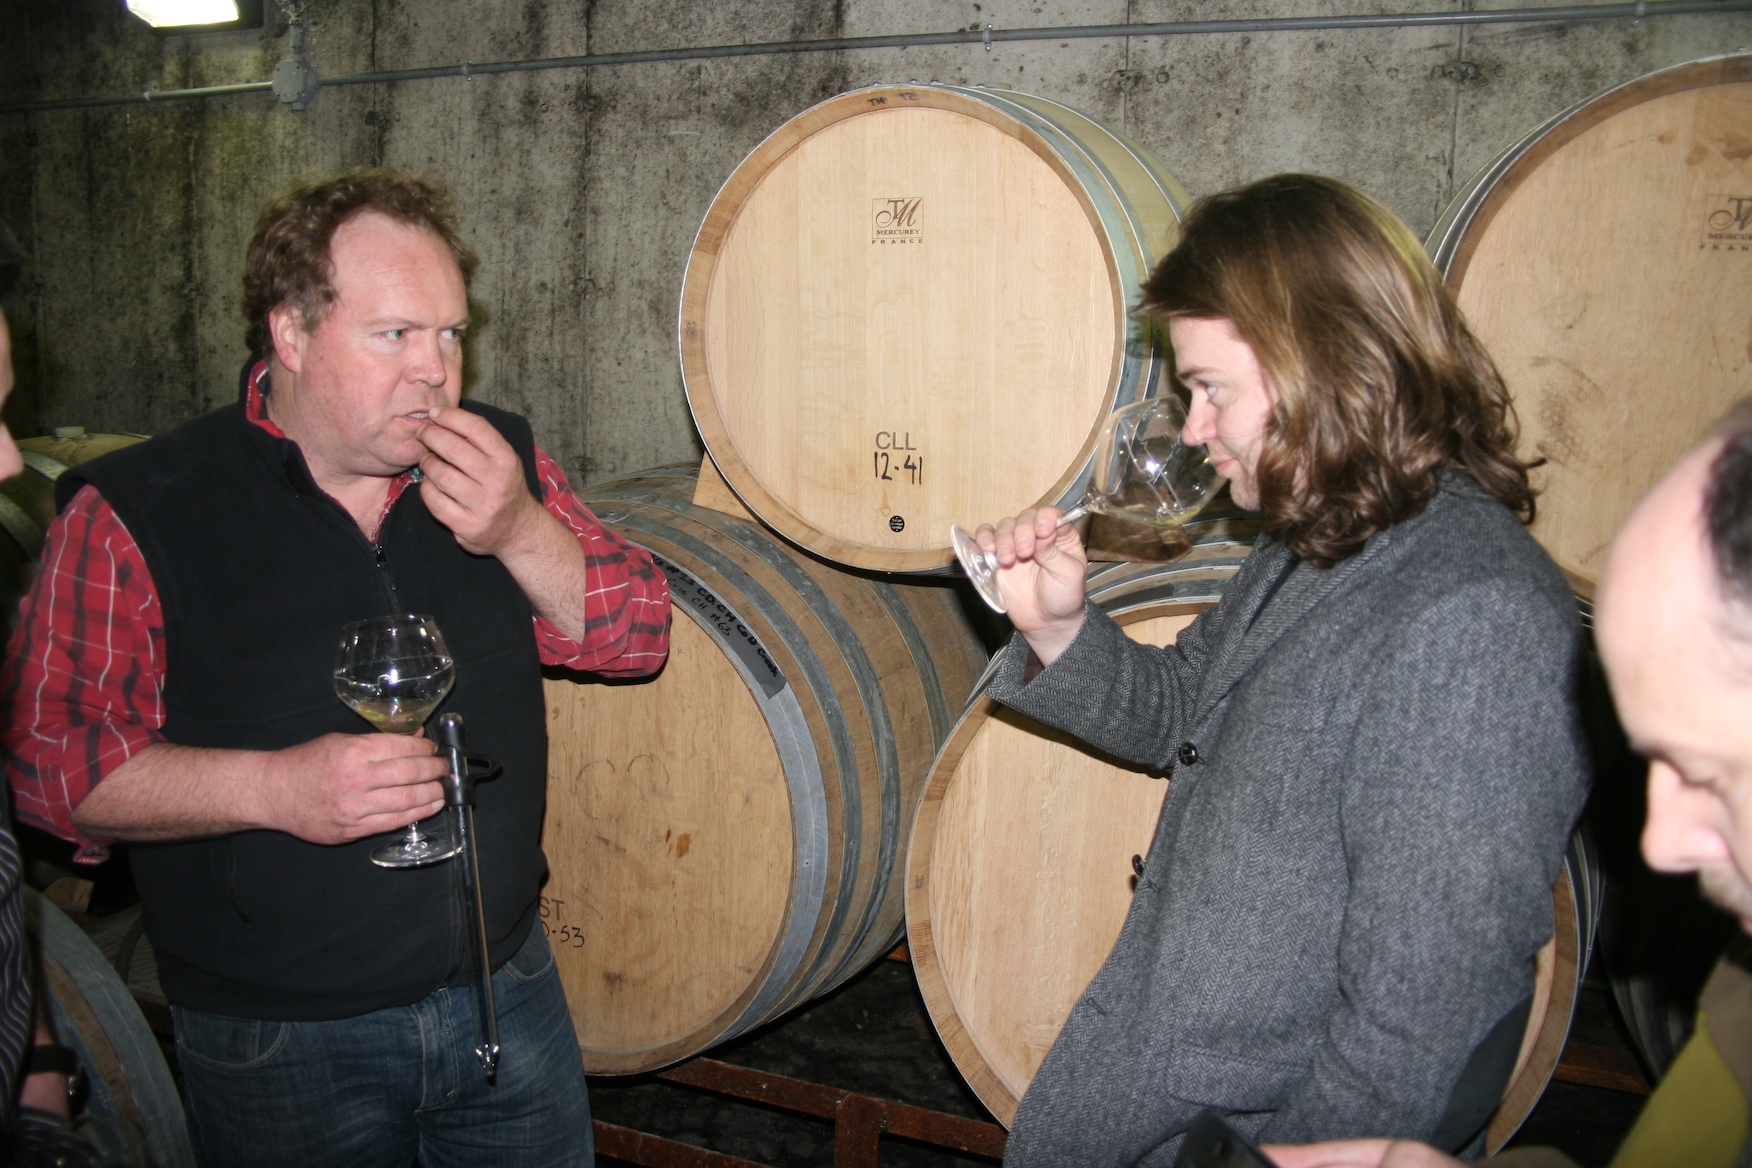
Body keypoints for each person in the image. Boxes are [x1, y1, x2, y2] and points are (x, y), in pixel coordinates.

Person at [0, 170, 671, 1166]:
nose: (436, 372)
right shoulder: (144, 509)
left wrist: (521, 528)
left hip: (509, 992)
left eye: (450, 333)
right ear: (291, 333)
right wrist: (273, 788)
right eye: (395, 334)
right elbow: (53, 769)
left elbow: (638, 633)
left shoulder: (495, 458)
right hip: (284, 1040)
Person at [968, 174, 1589, 1165]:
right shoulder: (1323, 538)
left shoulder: (1476, 618)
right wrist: (1060, 626)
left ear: (1324, 362)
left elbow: (1414, 1030)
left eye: (1210, 389)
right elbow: (1185, 711)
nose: (1197, 429)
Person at [1266, 408, 1752, 1168]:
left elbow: (1417, 1013)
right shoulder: (1740, 998)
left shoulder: (1482, 624)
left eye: (1709, 774)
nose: (1660, 843)